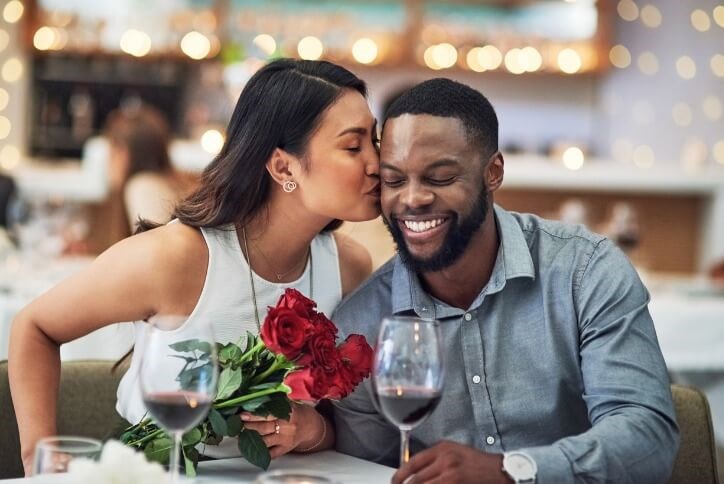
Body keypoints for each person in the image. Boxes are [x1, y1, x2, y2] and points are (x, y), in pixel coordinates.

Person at [9, 58, 381, 474]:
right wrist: (38, 456)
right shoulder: (177, 257)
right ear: (283, 166)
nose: (376, 163)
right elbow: (35, 327)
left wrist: (313, 430)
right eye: (353, 146)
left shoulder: (349, 266)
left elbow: (345, 419)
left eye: (375, 141)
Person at [332, 78, 679, 483]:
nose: (412, 199)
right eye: (393, 180)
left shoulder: (585, 271)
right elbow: (366, 473)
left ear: (492, 172)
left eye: (440, 178)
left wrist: (513, 473)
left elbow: (648, 438)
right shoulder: (361, 327)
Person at [104, 105, 197, 233]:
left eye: (111, 152)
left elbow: (157, 249)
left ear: (123, 152)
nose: (107, 162)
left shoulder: (142, 188)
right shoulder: (166, 184)